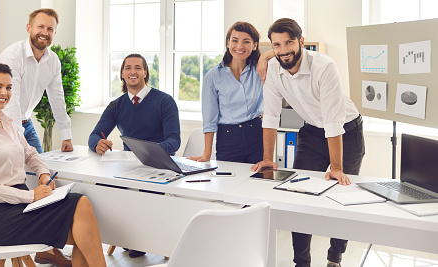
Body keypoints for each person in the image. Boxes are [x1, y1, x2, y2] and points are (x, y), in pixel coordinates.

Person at [0, 63, 107, 267]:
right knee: (82, 226)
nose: (4, 93)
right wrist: (31, 196)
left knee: (81, 206)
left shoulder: (7, 123)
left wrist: (43, 174)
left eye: (8, 88)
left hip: (21, 206)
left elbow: (31, 154)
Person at [251, 18, 365, 267]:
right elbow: (270, 116)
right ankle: (301, 262)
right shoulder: (272, 69)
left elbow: (334, 122)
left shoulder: (325, 67)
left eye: (289, 42)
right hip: (312, 132)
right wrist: (269, 157)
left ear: (301, 42)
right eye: (276, 45)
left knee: (343, 193)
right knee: (298, 193)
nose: (283, 50)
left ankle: (335, 258)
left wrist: (336, 167)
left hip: (347, 130)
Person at [88, 53, 181, 258]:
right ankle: (123, 236)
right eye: (128, 67)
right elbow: (94, 135)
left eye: (138, 67)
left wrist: (151, 153)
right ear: (122, 73)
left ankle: (140, 239)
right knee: (102, 187)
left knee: (143, 194)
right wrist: (98, 144)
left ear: (145, 73)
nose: (133, 72)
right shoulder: (117, 105)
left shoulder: (164, 101)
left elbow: (174, 140)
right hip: (129, 167)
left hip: (158, 167)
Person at [188, 21, 268, 164]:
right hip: (228, 138)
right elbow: (209, 118)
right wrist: (207, 153)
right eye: (235, 40)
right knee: (228, 182)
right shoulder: (213, 76)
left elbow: (284, 54)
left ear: (255, 45)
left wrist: (265, 57)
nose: (239, 46)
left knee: (259, 182)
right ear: (228, 43)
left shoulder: (260, 69)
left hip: (256, 134)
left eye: (246, 41)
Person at [0, 8, 73, 155]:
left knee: (42, 169)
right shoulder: (13, 56)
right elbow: (10, 101)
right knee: (12, 175)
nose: (45, 32)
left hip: (26, 124)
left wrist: (66, 136)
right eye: (40, 27)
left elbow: (57, 98)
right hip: (2, 126)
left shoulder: (53, 60)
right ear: (29, 28)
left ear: (54, 33)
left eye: (50, 29)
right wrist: (18, 141)